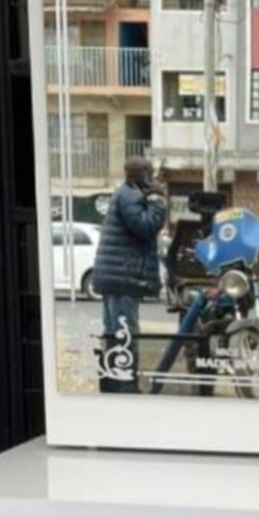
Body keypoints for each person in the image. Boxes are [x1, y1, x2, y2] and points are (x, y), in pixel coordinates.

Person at [93, 157, 168, 393]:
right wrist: (157, 200)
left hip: (115, 275)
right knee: (125, 332)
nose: (154, 178)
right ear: (142, 175)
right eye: (150, 173)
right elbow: (146, 226)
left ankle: (112, 382)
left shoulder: (126, 194)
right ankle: (125, 386)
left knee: (114, 331)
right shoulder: (128, 196)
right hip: (122, 276)